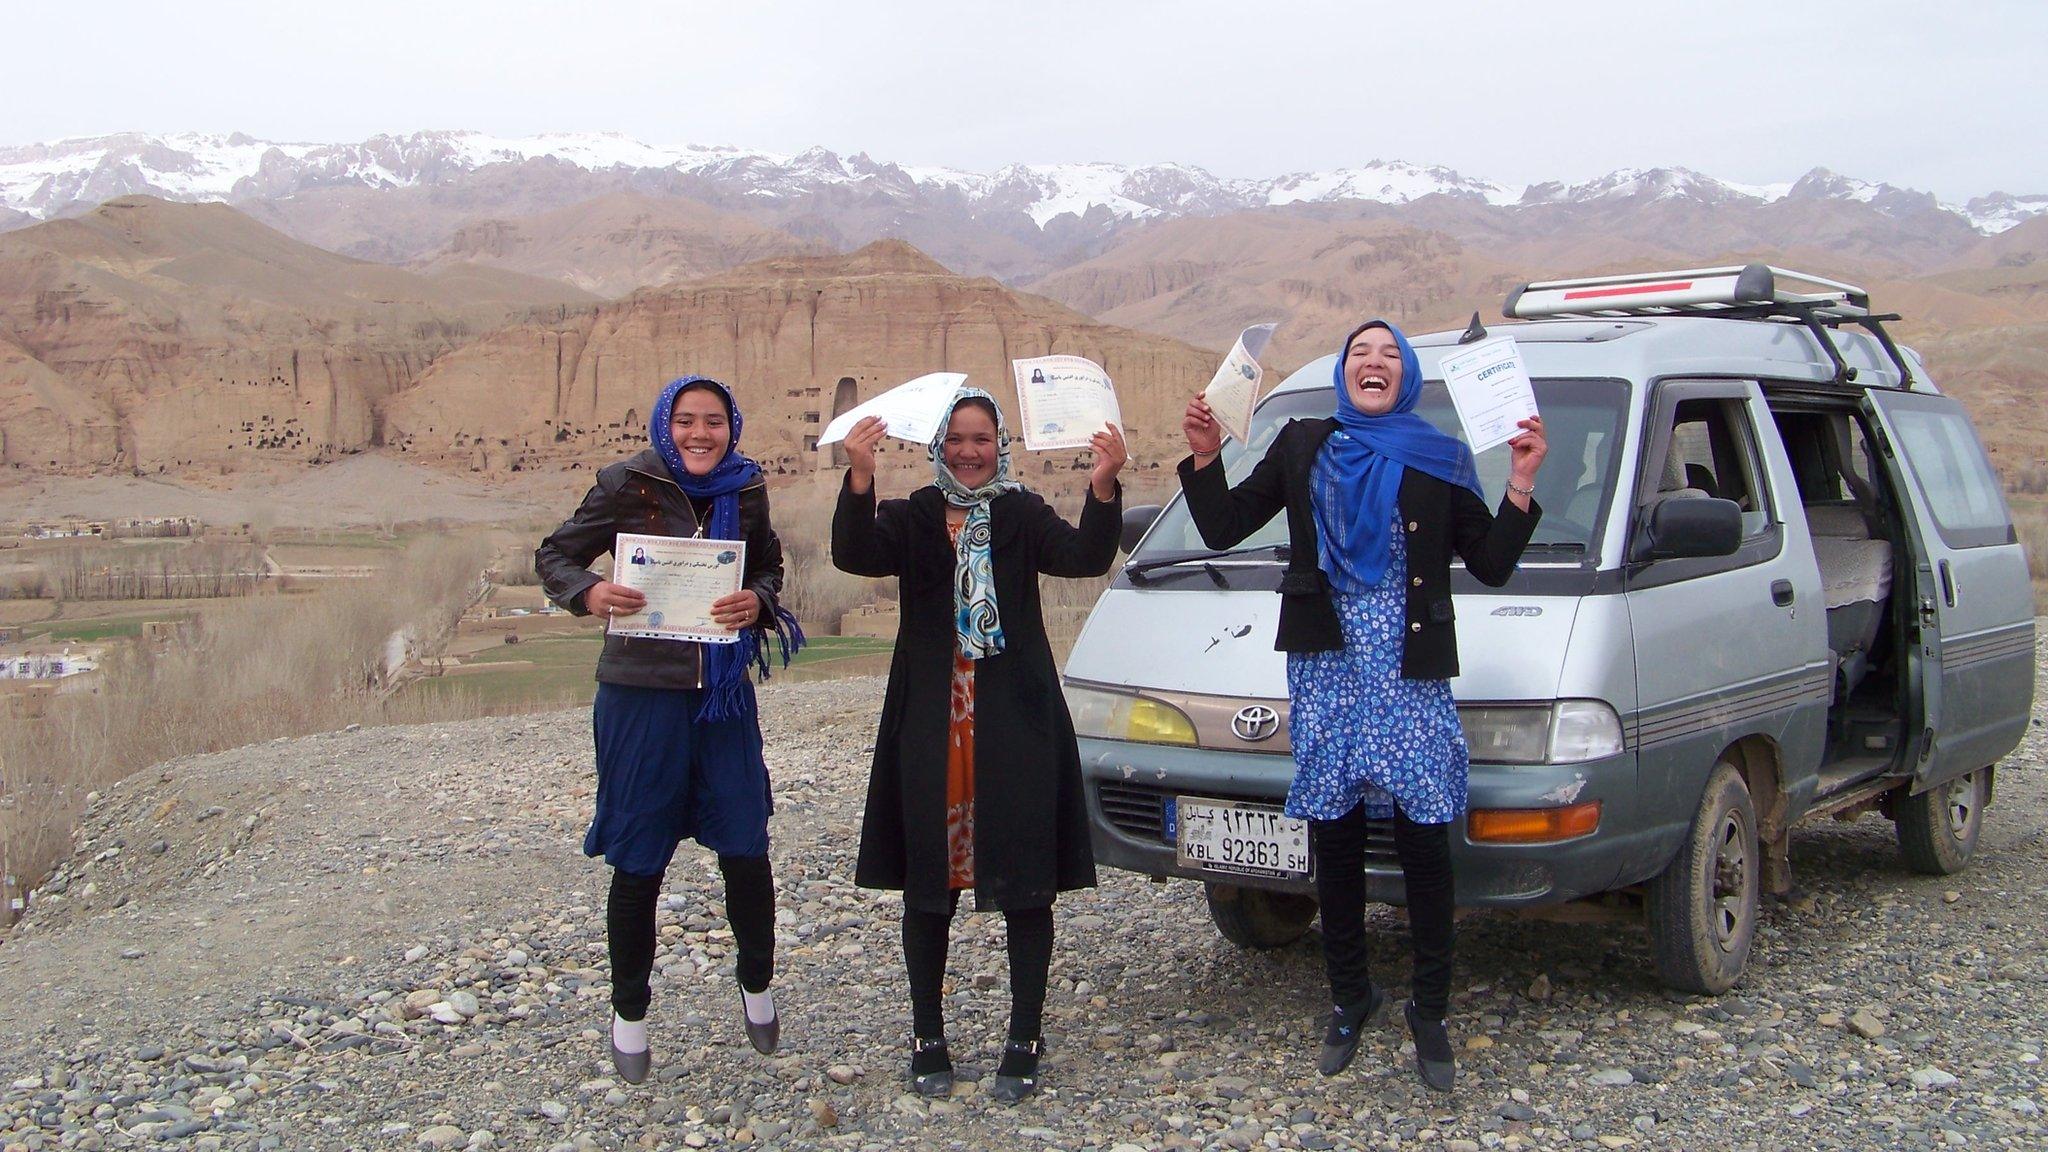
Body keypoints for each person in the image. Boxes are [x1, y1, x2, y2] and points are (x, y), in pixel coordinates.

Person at [1178, 320, 1546, 1092]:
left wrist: (1520, 483)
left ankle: (1431, 1010)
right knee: (1336, 843)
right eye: (1358, 355)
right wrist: (1208, 458)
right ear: (1344, 374)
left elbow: (1492, 563)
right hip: (1328, 667)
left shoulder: (1442, 457)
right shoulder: (1302, 443)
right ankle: (1350, 996)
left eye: (1388, 356)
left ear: (1406, 375)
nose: (1372, 364)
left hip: (1408, 674)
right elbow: (1221, 524)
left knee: (1422, 845)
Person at [832, 388, 1125, 1104]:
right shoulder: (912, 516)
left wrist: (1104, 483)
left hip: (1013, 718)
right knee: (928, 882)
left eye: (982, 438)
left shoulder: (1021, 513)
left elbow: (1086, 556)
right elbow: (852, 551)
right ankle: (927, 1035)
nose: (968, 451)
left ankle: (1024, 1036)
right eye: (956, 438)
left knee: (1026, 878)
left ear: (1001, 445)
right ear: (937, 446)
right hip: (933, 718)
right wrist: (861, 477)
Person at [535, 375, 804, 1085]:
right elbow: (555, 554)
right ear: (664, 424)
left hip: (720, 695)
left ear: (732, 427)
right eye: (686, 421)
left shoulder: (745, 489)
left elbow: (769, 563)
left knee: (745, 843)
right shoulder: (626, 483)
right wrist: (588, 591)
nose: (699, 434)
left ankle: (757, 981)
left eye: (713, 421)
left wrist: (760, 599)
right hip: (639, 697)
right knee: (639, 855)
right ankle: (629, 1011)